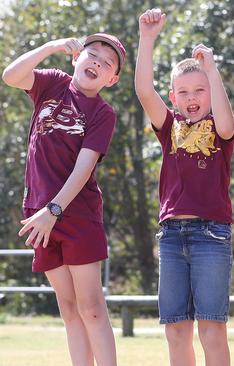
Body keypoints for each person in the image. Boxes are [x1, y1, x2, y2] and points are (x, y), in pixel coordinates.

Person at [2, 32, 125, 366]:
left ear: (111, 79)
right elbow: (11, 76)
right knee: (69, 309)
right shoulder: (53, 84)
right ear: (76, 58)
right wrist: (52, 46)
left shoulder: (102, 112)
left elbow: (84, 168)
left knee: (91, 309)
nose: (97, 62)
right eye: (92, 54)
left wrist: (53, 210)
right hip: (37, 214)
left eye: (107, 62)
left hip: (75, 215)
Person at [135, 8, 234, 366]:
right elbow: (144, 91)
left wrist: (211, 69)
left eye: (200, 90)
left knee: (211, 327)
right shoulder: (169, 126)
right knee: (176, 329)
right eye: (183, 91)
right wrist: (147, 40)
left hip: (212, 235)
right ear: (174, 96)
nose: (191, 96)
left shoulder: (222, 125)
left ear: (211, 92)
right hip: (172, 235)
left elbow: (225, 126)